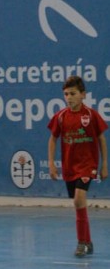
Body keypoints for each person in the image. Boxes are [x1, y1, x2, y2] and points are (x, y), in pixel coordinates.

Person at [47, 75, 108, 257]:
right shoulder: (61, 117)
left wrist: (104, 164)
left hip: (88, 165)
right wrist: (51, 163)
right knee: (78, 204)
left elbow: (101, 139)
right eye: (66, 94)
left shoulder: (91, 115)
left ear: (83, 94)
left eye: (73, 93)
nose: (69, 97)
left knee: (78, 199)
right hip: (69, 167)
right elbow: (53, 139)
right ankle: (88, 241)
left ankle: (81, 242)